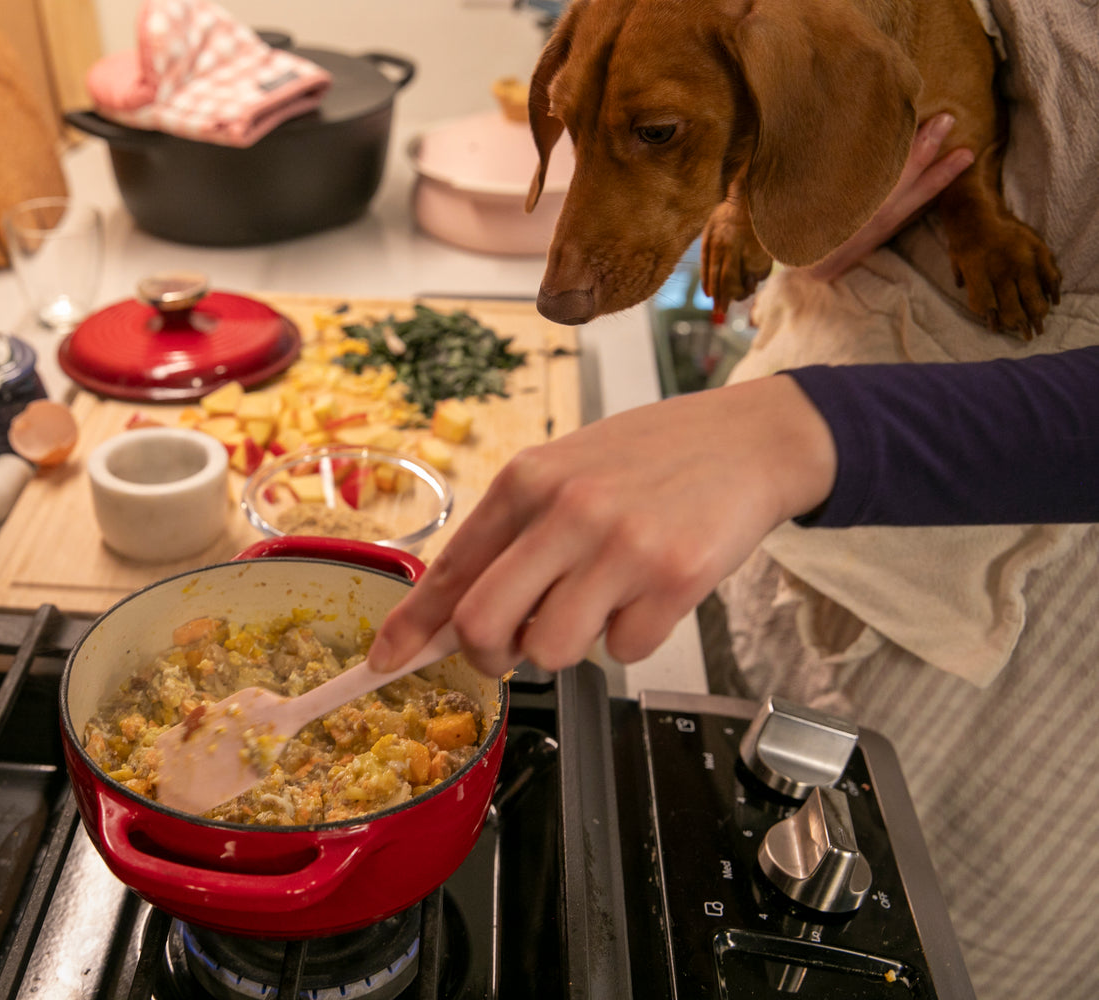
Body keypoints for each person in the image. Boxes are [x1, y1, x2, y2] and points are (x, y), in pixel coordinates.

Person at [369, 3, 1099, 995]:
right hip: (791, 532)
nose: (568, 262)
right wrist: (800, 211)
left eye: (654, 134)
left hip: (1034, 662)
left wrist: (802, 429)